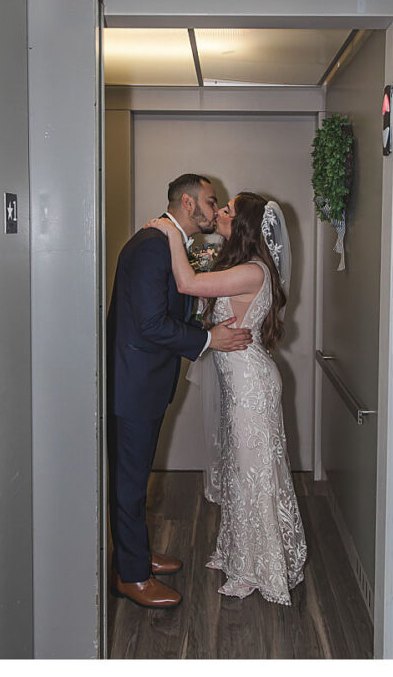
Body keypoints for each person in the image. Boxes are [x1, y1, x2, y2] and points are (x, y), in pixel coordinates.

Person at [148, 191, 307, 605]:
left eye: (228, 210)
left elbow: (187, 282)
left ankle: (258, 567)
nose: (219, 212)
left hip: (251, 388)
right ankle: (240, 550)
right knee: (241, 471)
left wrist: (169, 232)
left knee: (253, 473)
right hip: (242, 386)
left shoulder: (253, 272)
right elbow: (201, 299)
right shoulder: (240, 268)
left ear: (243, 226)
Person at [107, 174, 253, 609]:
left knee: (136, 478)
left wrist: (203, 330)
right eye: (211, 201)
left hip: (143, 380)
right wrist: (209, 341)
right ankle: (130, 576)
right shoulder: (154, 243)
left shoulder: (164, 241)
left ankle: (136, 555)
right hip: (134, 383)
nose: (216, 208)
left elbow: (166, 310)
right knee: (130, 482)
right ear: (188, 204)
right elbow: (151, 323)